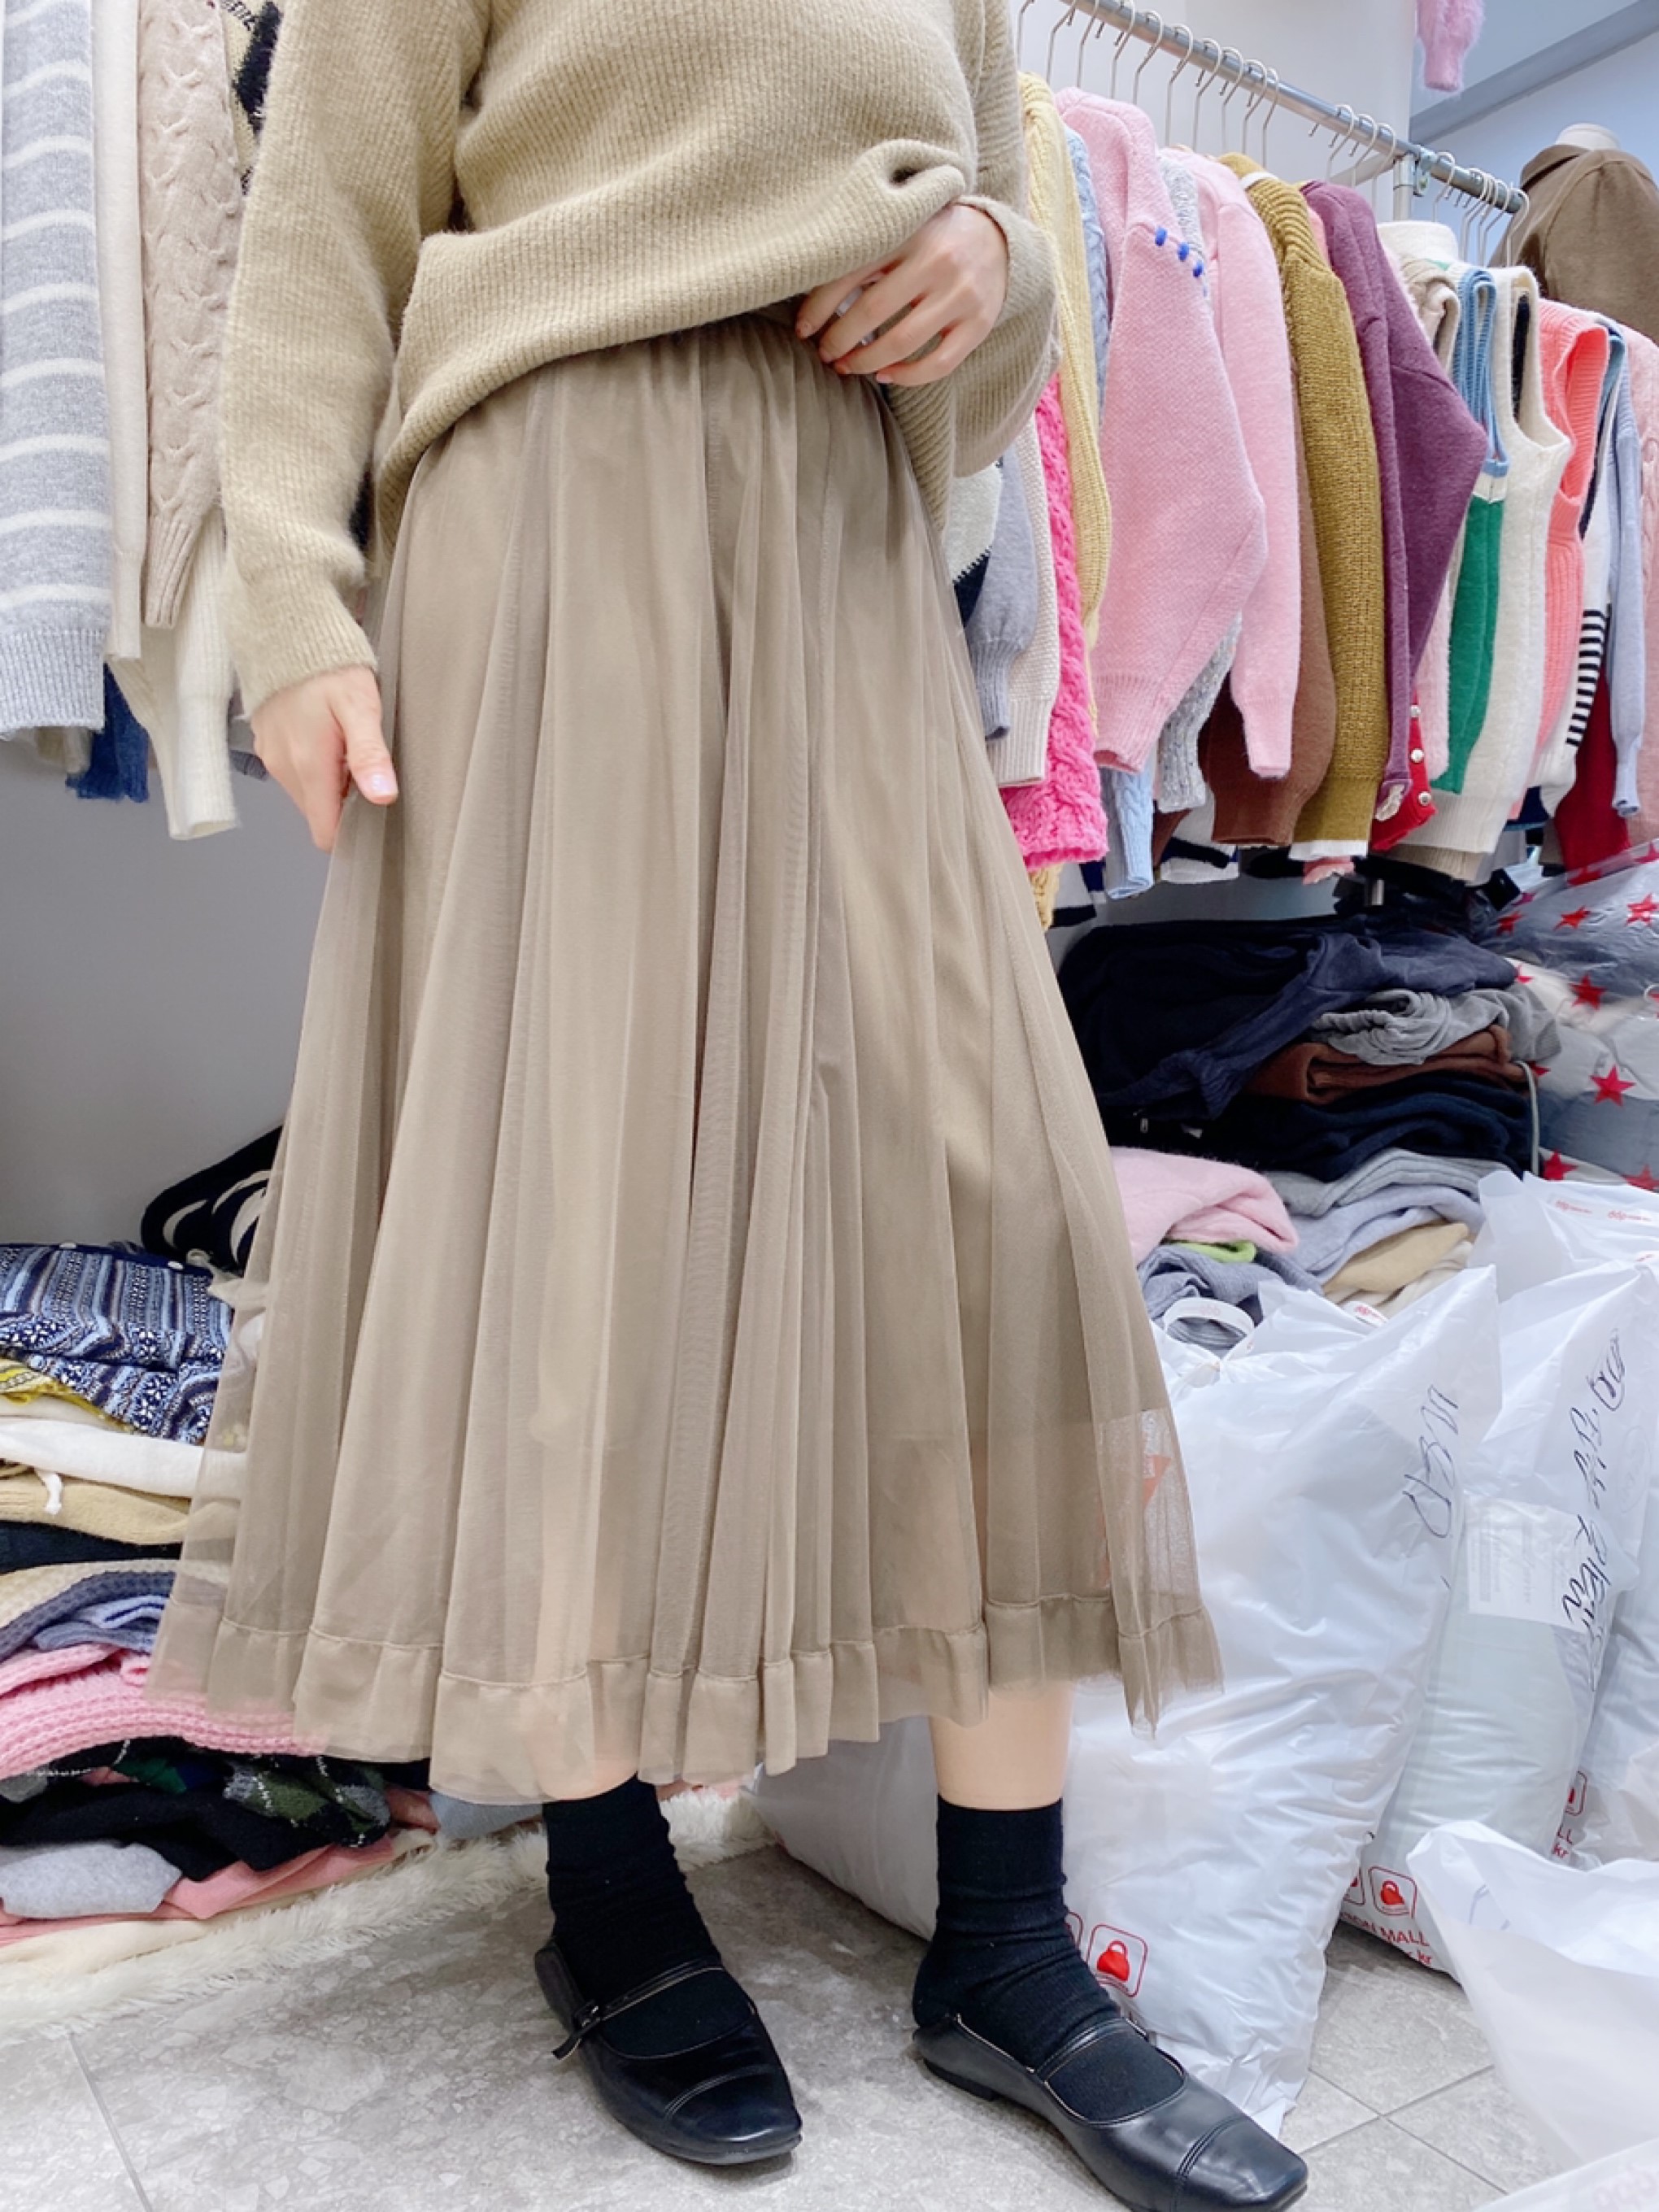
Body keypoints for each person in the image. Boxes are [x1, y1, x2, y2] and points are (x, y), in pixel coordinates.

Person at [149, 3, 1306, 2205]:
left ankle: (1005, 1938)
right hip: (548, 509)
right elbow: (326, 225)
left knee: (994, 1203)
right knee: (586, 1209)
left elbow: (991, 289)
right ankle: (614, 1888)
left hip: (849, 542)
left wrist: (994, 264)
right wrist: (295, 589)